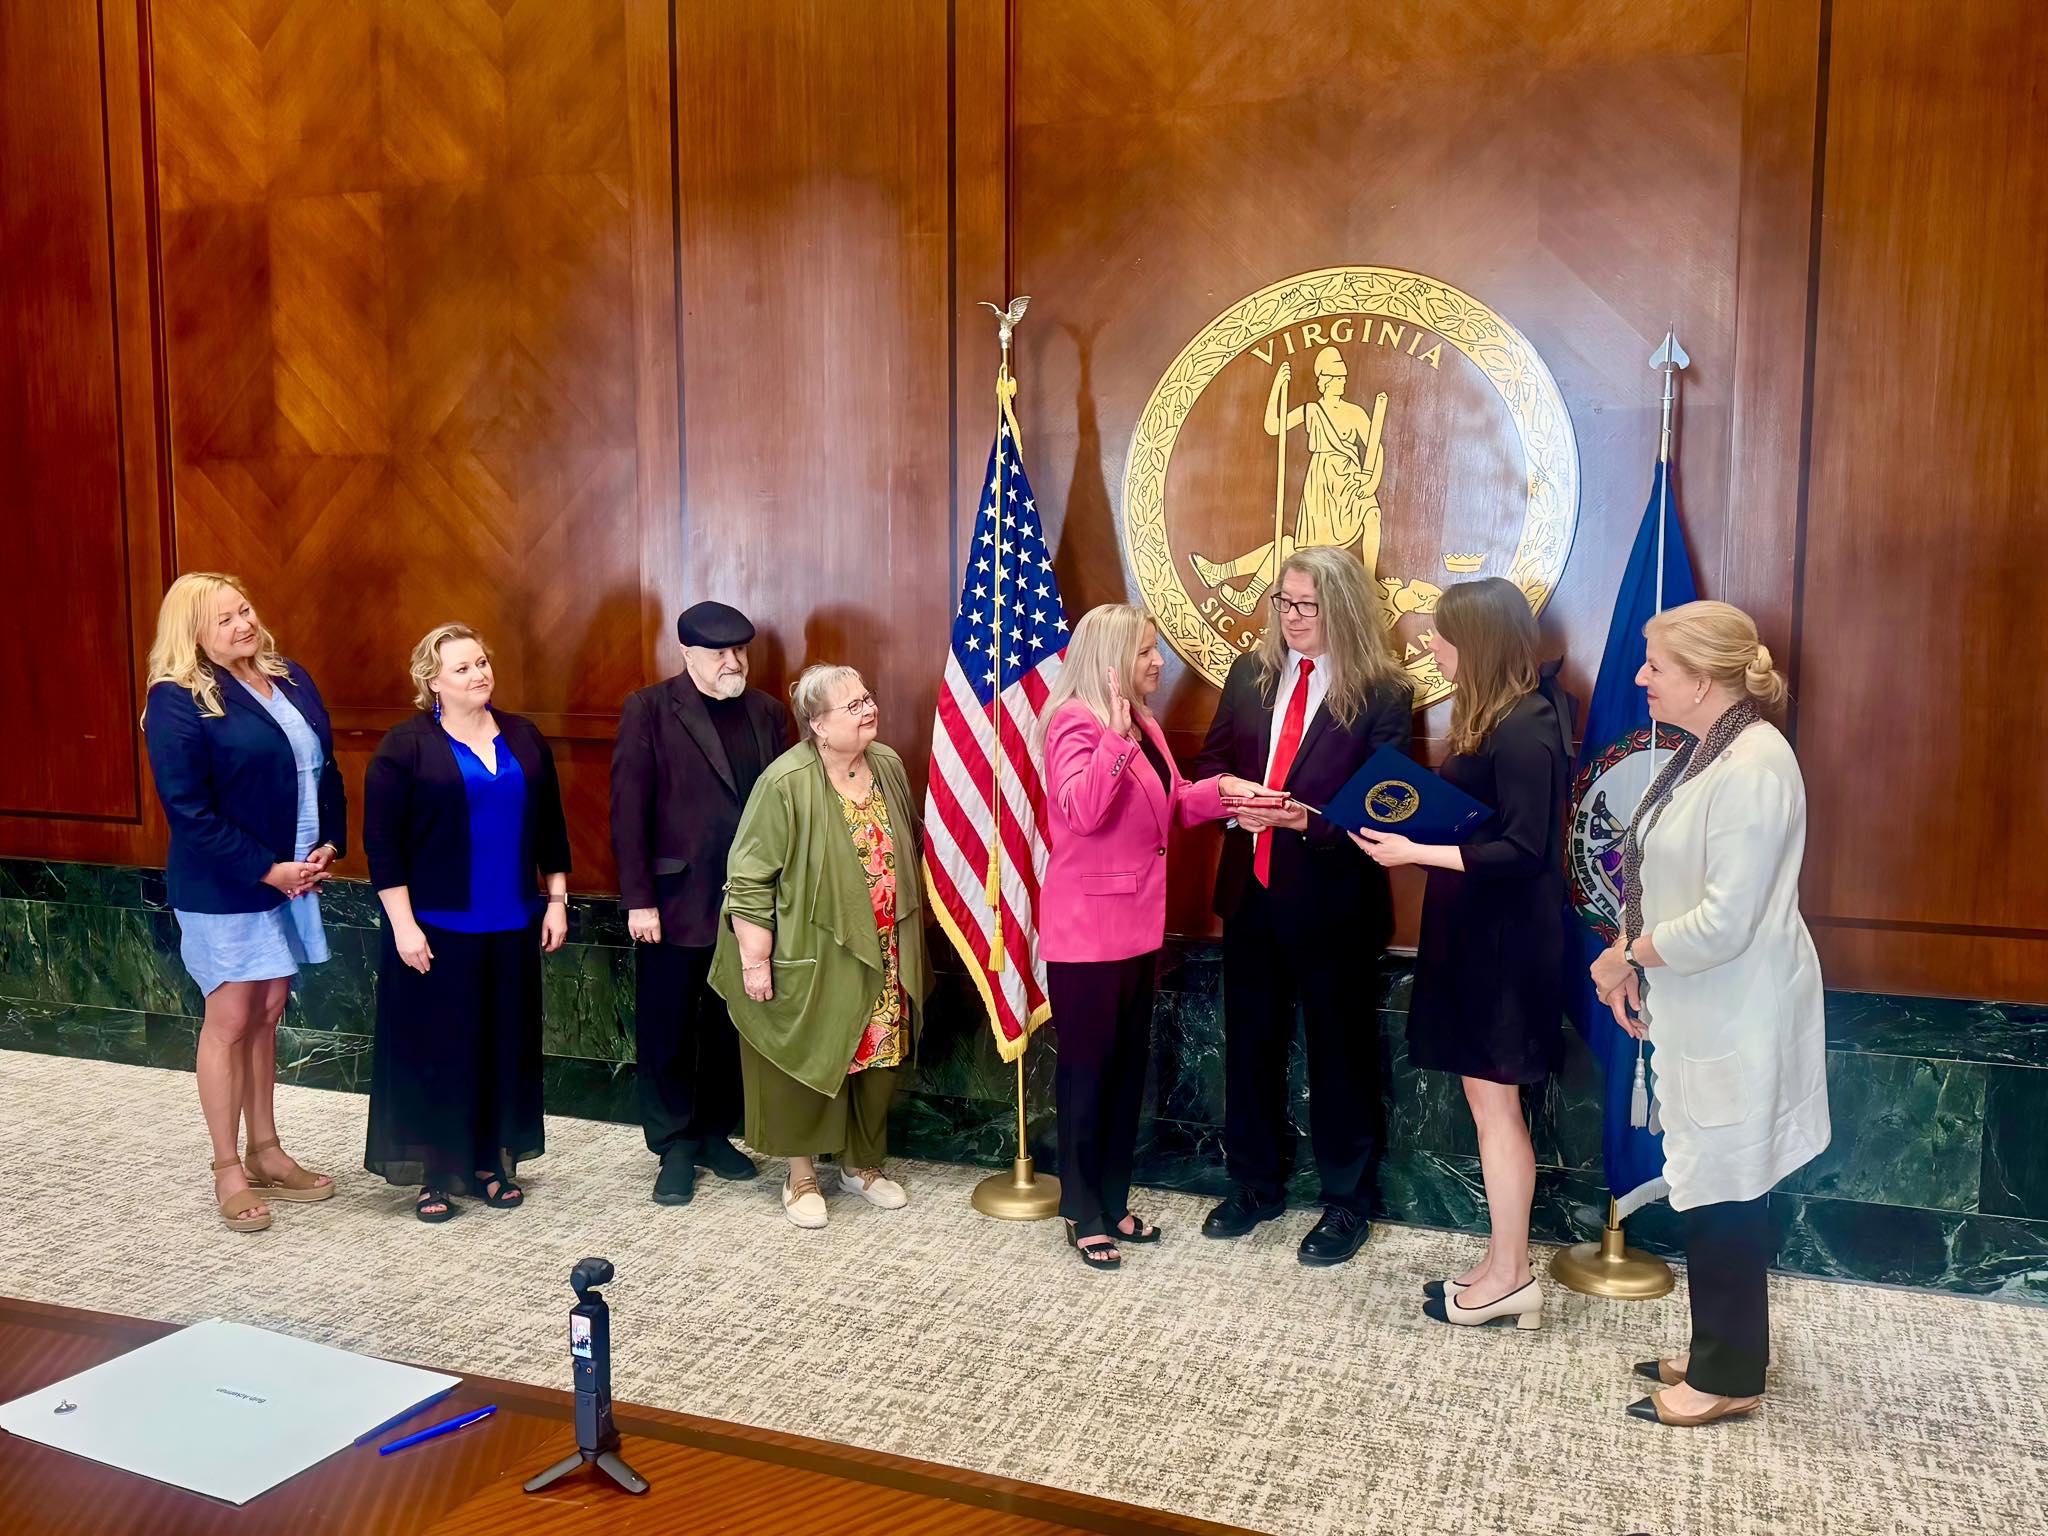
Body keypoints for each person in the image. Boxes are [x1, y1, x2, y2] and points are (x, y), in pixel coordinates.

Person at [1588, 600, 1828, 1426]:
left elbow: (1726, 921)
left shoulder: (1755, 764)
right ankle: (1723, 1349)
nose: (1640, 677)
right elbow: (1663, 877)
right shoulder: (1710, 751)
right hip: (1699, 1004)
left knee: (1726, 1186)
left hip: (1737, 1011)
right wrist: (1636, 963)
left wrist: (1628, 957)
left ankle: (1727, 1379)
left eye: (1656, 665)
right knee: (1712, 1179)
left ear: (1703, 678)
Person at [1350, 577, 1572, 1330]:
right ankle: (1501, 1262)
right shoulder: (1497, 716)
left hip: (1506, 945)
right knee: (1487, 1105)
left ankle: (1512, 1277)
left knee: (1497, 1107)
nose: (1433, 648)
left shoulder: (1528, 724)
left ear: (1475, 642)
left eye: (1443, 636)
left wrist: (1416, 850)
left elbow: (1524, 849)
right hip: (1479, 935)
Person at [1192, 546, 1414, 1265]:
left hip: (1334, 901)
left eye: (1306, 606)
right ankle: (1254, 1184)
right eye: (1283, 603)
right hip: (1250, 892)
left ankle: (1347, 1202)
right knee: (1249, 1044)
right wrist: (1234, 800)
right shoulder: (1250, 674)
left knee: (1341, 1055)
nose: (1290, 617)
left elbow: (1388, 803)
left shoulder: (1383, 691)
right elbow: (1211, 766)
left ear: (1341, 608)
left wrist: (1304, 821)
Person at [1039, 604, 1256, 1270]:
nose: (1159, 662)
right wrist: (1113, 737)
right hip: (1086, 936)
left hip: (1136, 929)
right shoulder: (1073, 723)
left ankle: (1111, 1198)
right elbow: (1081, 811)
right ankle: (1081, 1209)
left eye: (1156, 649)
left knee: (1126, 1073)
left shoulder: (1143, 723)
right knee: (1087, 1076)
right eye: (1145, 652)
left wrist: (1226, 793)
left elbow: (1173, 801)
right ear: (1109, 661)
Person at [143, 573, 344, 1234]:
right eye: (225, 619)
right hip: (228, 884)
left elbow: (325, 770)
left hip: (294, 877)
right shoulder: (176, 699)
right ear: (193, 632)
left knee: (268, 1011)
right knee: (230, 1017)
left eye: (246, 610)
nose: (243, 625)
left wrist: (329, 845)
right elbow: (189, 812)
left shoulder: (288, 677)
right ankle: (227, 1166)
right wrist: (267, 870)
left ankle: (266, 1151)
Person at [710, 665, 934, 1229]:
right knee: (804, 1056)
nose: (868, 709)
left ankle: (861, 1166)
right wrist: (755, 962)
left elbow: (908, 838)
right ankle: (801, 1175)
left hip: (882, 948)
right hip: (810, 952)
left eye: (867, 698)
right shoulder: (784, 782)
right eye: (852, 705)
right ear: (817, 725)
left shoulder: (886, 763)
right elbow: (749, 878)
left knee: (878, 1056)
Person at [363, 623, 571, 1223]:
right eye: (463, 668)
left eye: (482, 662)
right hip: (436, 927)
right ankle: (436, 1172)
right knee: (440, 1049)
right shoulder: (406, 746)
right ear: (432, 681)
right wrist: (403, 926)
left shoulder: (524, 737)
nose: (479, 674)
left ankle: (488, 1163)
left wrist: (557, 900)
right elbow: (383, 845)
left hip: (512, 923)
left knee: (502, 1045)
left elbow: (551, 826)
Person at [611, 601, 791, 1206]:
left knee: (727, 1025)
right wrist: (639, 900)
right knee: (667, 1027)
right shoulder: (649, 709)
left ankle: (715, 1133)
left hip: (748, 906)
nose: (732, 662)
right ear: (687, 653)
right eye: (719, 653)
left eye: (739, 651)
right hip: (672, 902)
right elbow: (628, 813)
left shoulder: (767, 712)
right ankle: (674, 1145)